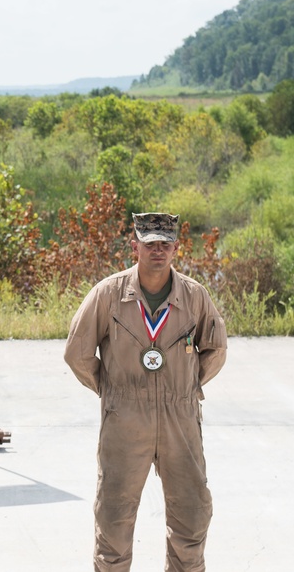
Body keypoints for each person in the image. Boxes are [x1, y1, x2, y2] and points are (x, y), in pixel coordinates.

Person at [65, 212, 227, 571]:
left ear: (176, 248)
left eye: (165, 244)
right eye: (150, 243)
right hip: (125, 420)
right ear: (134, 246)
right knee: (113, 521)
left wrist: (186, 387)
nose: (158, 250)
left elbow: (216, 349)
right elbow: (77, 352)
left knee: (192, 516)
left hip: (180, 419)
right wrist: (111, 390)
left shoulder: (194, 296)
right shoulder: (108, 294)